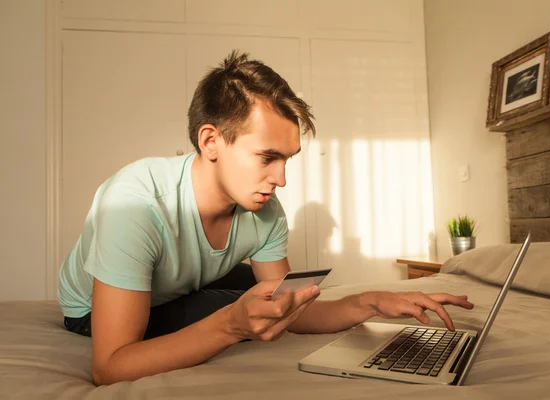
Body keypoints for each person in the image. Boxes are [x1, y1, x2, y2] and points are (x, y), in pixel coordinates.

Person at [57, 50, 474, 386]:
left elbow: (294, 312)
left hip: (184, 279)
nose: (282, 179)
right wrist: (230, 327)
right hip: (88, 309)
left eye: (287, 160)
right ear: (211, 141)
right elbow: (109, 367)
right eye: (268, 157)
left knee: (280, 297)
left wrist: (371, 300)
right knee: (234, 306)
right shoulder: (132, 203)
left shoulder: (265, 209)